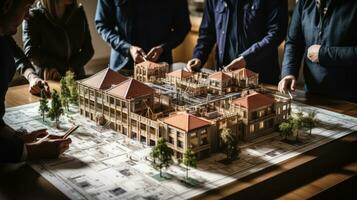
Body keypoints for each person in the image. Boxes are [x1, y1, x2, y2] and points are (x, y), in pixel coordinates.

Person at [0, 0, 71, 163]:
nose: (27, 15)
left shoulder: (3, 35)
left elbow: (15, 51)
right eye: (26, 7)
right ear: (7, 5)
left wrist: (18, 139)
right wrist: (28, 151)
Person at [185, 0, 288, 85]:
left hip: (260, 78)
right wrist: (198, 56)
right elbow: (207, 33)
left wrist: (246, 58)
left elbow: (276, 33)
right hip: (224, 77)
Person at [279, 0, 357, 102]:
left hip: (350, 97)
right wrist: (289, 72)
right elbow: (293, 42)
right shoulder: (304, 3)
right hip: (313, 93)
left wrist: (324, 54)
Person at [95, 0, 191, 75]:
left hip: (160, 66)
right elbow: (102, 25)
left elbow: (183, 27)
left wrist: (163, 47)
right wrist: (128, 48)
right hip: (122, 66)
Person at [23, 0, 94, 80]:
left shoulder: (78, 11)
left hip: (76, 75)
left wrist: (70, 68)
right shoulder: (33, 16)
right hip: (49, 77)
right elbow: (31, 53)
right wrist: (64, 67)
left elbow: (89, 50)